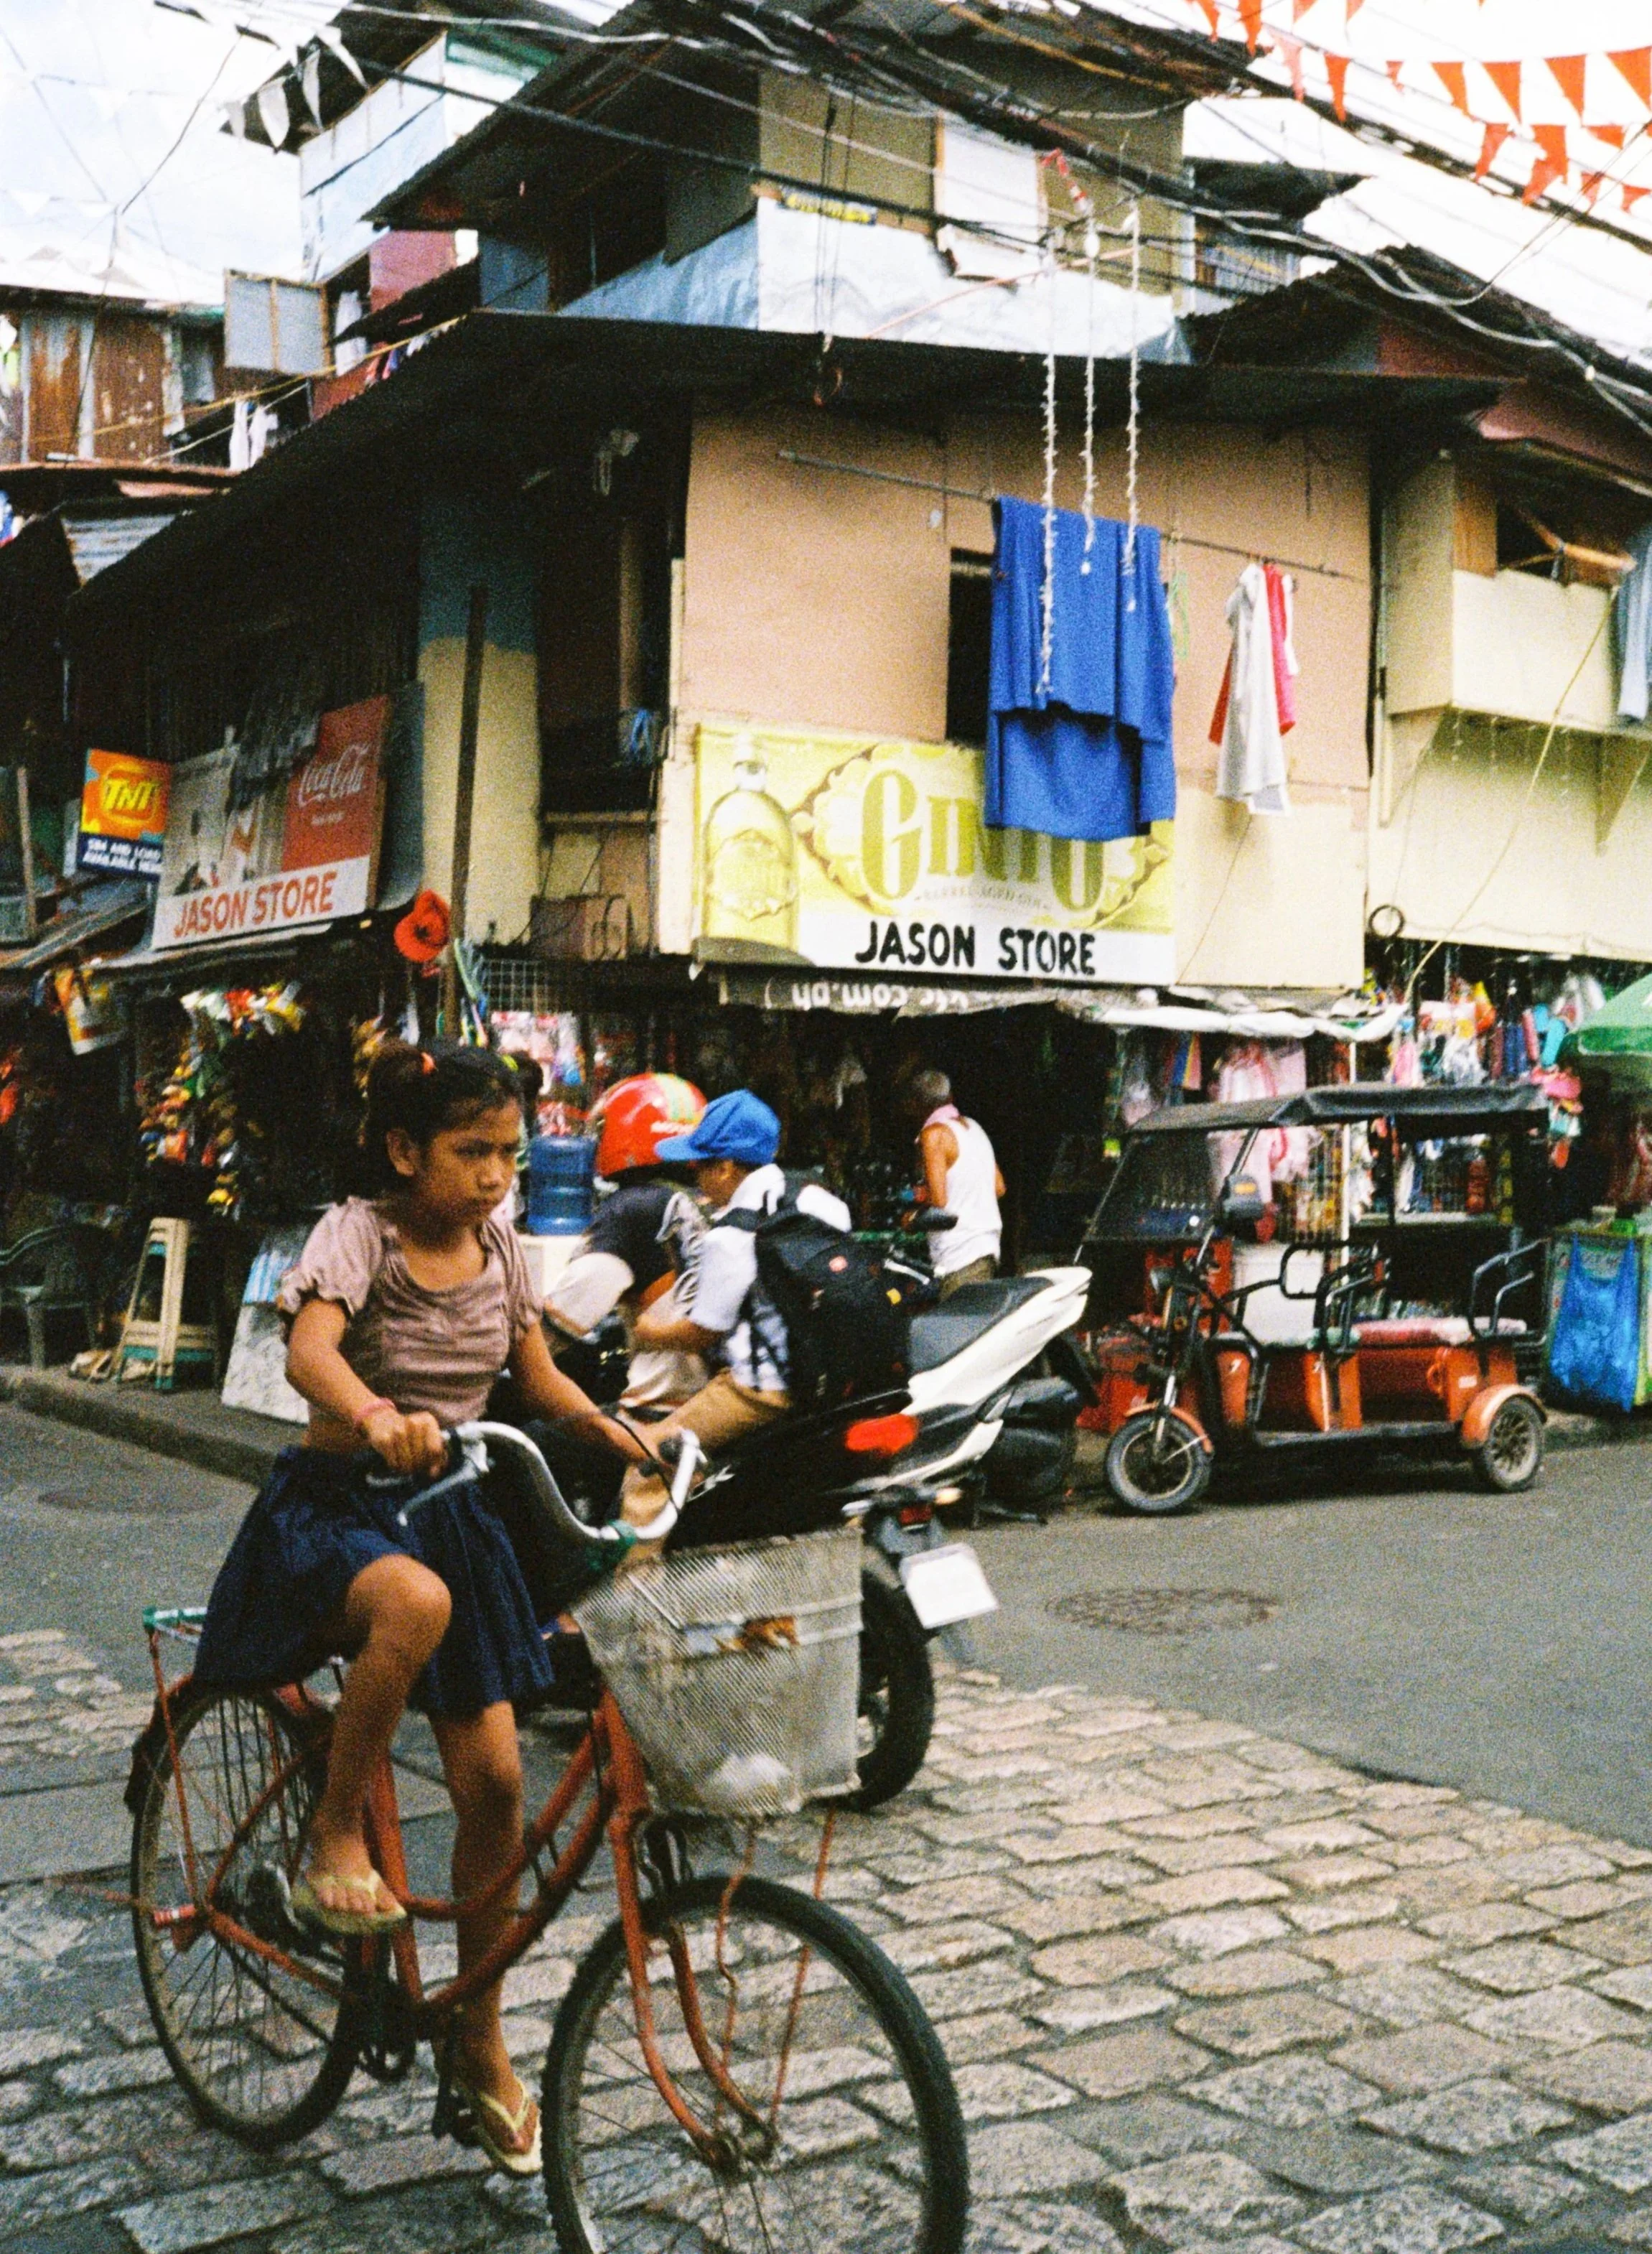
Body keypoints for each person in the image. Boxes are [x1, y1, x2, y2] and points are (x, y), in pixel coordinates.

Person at [192, 1040, 642, 2178]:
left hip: (450, 1507)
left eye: (510, 1150)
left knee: (494, 1779)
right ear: (404, 1150)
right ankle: (332, 1832)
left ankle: (477, 2041)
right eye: (471, 1150)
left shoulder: (498, 1243)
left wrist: (624, 1431)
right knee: (413, 1603)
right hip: (341, 1508)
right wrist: (373, 1408)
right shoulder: (361, 1232)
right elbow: (308, 1352)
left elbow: (534, 1376)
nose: (498, 1173)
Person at [619, 1088, 851, 1527]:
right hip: (827, 1375)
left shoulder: (731, 1235)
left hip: (759, 1390)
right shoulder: (820, 1199)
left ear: (725, 1167)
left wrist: (648, 1332)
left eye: (700, 1166)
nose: (697, 1180)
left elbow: (704, 1331)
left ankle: (634, 1586)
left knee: (650, 1461)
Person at [545, 1074, 710, 1414]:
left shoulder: (631, 1209)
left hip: (664, 1411)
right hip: (720, 1401)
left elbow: (565, 1317)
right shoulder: (713, 1200)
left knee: (535, 1442)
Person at [907, 1068, 1004, 1298]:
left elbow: (939, 1201)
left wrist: (911, 1219)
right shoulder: (974, 1128)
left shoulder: (934, 1134)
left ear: (916, 1105)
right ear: (950, 1098)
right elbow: (999, 1188)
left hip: (961, 1254)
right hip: (985, 1249)